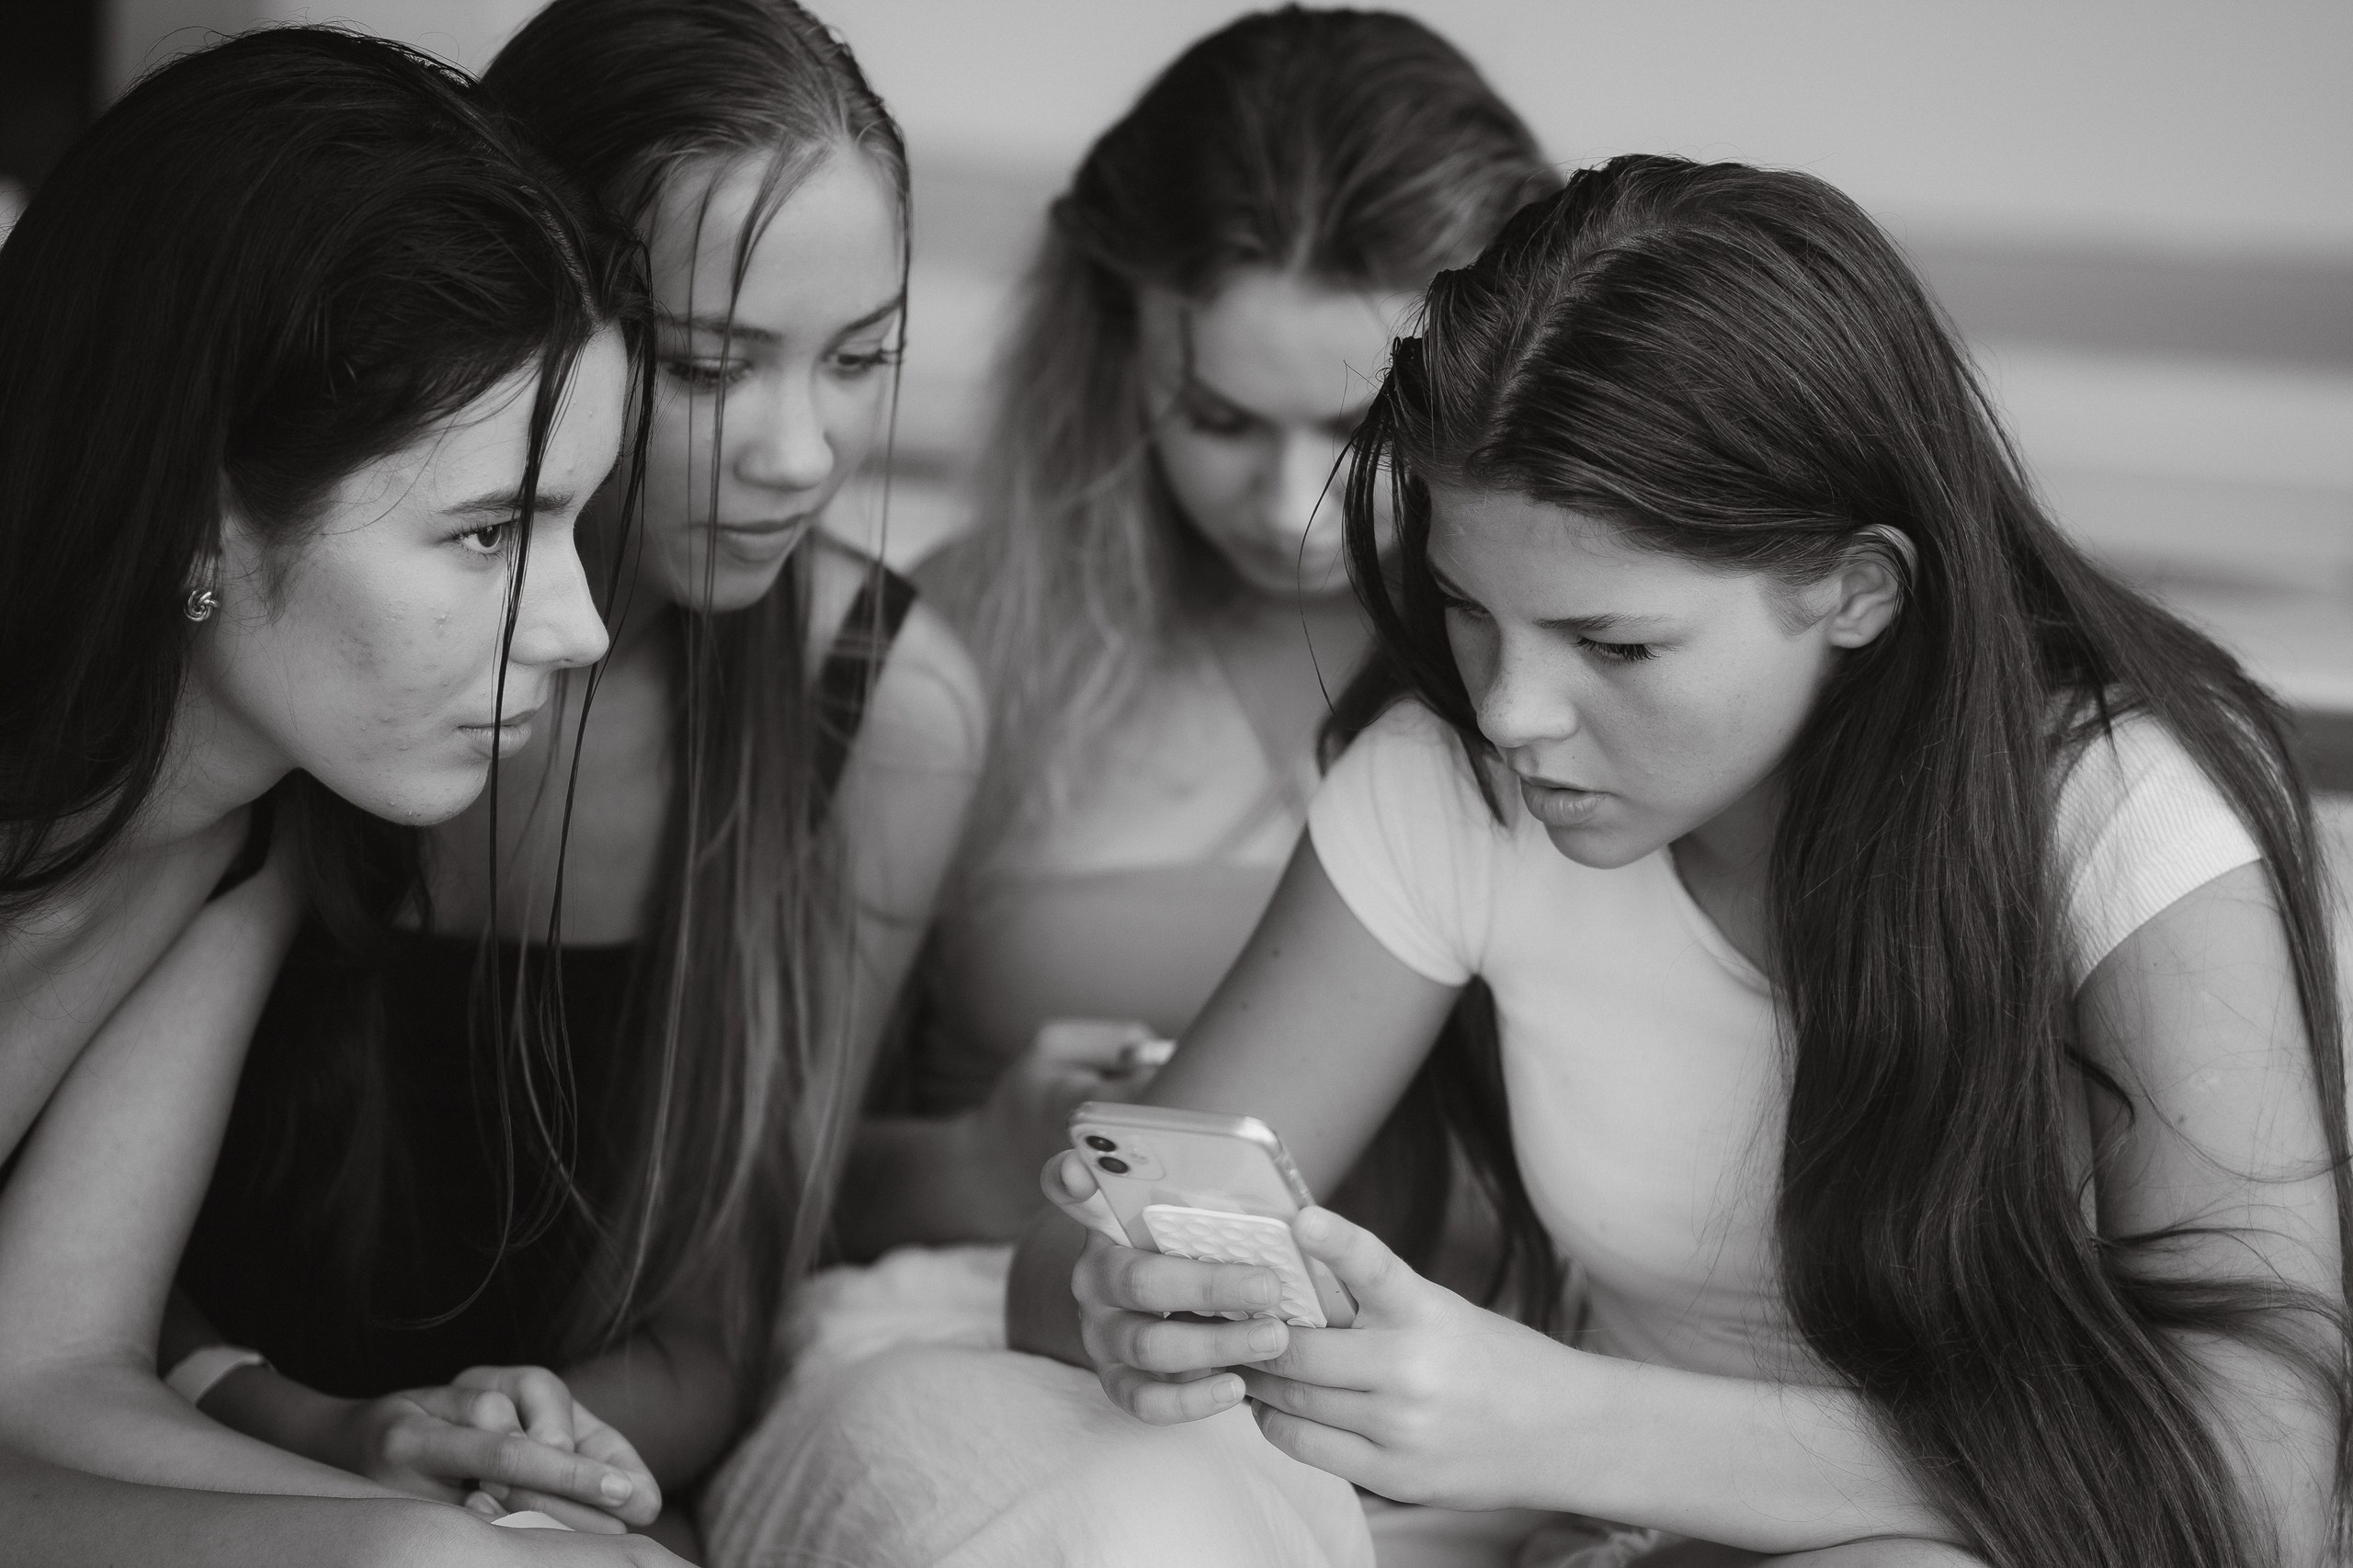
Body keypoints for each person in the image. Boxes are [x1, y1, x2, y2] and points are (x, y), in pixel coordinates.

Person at [1015, 156, 2351, 1566]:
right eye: (1471, 610)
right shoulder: (1447, 784)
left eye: (1615, 644)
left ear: (1856, 590)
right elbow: (1059, 1267)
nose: (1511, 711)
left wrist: (1561, 1418)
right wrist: (1132, 1303)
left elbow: (2256, 1487)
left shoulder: (2121, 815)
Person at [170, 1, 983, 1557]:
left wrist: (531, 1456)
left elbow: (715, 1318)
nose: (801, 455)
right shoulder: (305, 631)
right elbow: (69, 1276)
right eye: (707, 367)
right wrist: (317, 1438)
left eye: (861, 360)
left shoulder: (883, 705)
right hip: (192, 1430)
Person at [0, 26, 680, 1566]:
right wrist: (388, 1552)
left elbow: (42, 1375)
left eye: (575, 522)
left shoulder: (242, 831)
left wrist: (447, 1515)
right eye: (492, 533)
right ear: (198, 509)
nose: (578, 627)